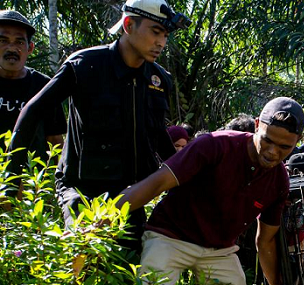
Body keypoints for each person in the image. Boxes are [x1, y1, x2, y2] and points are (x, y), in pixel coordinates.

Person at [8, 0, 190, 253]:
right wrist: (9, 179)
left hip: (131, 195)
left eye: (165, 35)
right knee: (83, 261)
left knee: (125, 277)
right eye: (155, 32)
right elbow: (32, 111)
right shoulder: (85, 65)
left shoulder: (158, 79)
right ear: (128, 24)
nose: (161, 42)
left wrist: (187, 177)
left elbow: (158, 136)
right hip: (82, 191)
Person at [114, 97, 304, 285]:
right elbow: (157, 182)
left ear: (297, 141)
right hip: (169, 237)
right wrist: (104, 216)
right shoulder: (215, 145)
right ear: (257, 124)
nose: (272, 152)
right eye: (267, 140)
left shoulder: (279, 181)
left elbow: (266, 241)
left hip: (219, 250)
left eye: (284, 147)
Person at [0, 10, 66, 158]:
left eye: (19, 42)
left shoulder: (44, 87)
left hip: (32, 177)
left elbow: (55, 143)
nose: (11, 48)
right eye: (3, 41)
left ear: (30, 48)